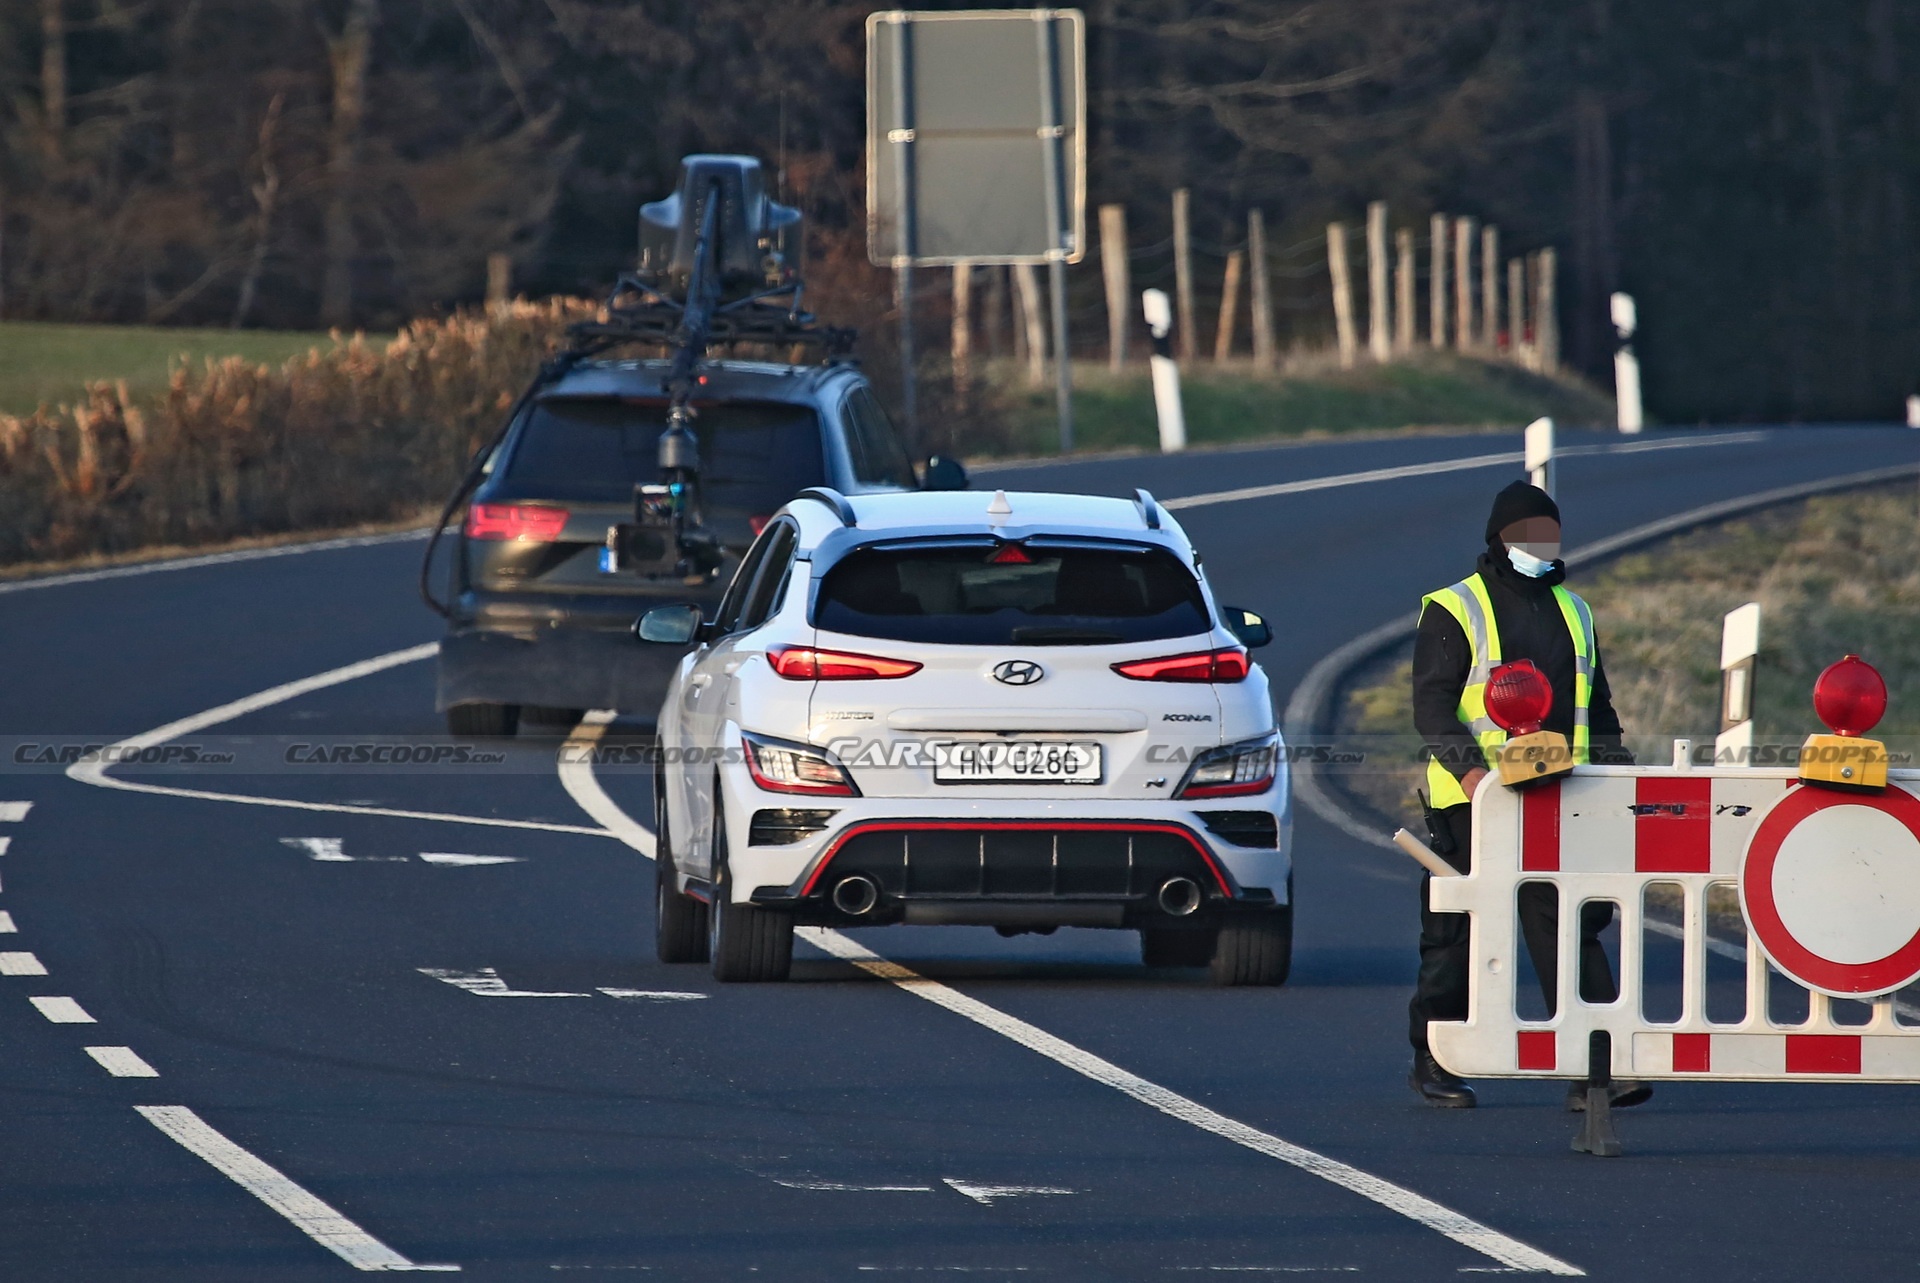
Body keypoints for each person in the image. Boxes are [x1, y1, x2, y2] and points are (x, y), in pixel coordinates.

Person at [1406, 480, 1652, 1111]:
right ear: (1500, 539)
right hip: (1473, 800)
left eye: (1549, 533)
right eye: (1527, 534)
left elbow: (1596, 707)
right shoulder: (1454, 606)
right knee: (1458, 929)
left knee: (1566, 924)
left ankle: (1598, 1065)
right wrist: (1470, 778)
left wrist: (1616, 779)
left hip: (1560, 795)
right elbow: (1432, 704)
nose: (1541, 545)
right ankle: (1434, 1059)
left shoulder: (1575, 610)